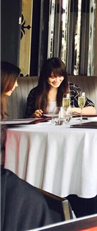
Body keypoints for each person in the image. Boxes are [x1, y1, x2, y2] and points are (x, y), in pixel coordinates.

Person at [1, 61, 54, 230]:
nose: (17, 85)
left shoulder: (71, 90)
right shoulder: (36, 93)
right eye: (14, 80)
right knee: (33, 201)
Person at [25, 58, 96, 118]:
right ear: (45, 76)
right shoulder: (35, 93)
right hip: (43, 128)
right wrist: (34, 116)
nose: (57, 80)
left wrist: (72, 110)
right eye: (53, 77)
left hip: (67, 126)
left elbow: (92, 110)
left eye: (60, 76)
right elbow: (27, 117)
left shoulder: (72, 89)